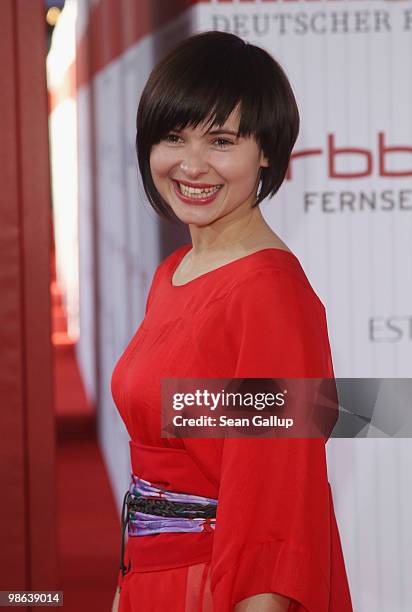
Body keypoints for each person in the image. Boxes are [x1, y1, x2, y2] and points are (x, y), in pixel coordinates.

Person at [111, 30, 353, 611]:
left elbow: (277, 515)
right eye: (173, 137)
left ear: (266, 151)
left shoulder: (270, 299)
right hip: (150, 577)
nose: (192, 165)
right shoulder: (173, 273)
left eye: (221, 141)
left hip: (213, 589)